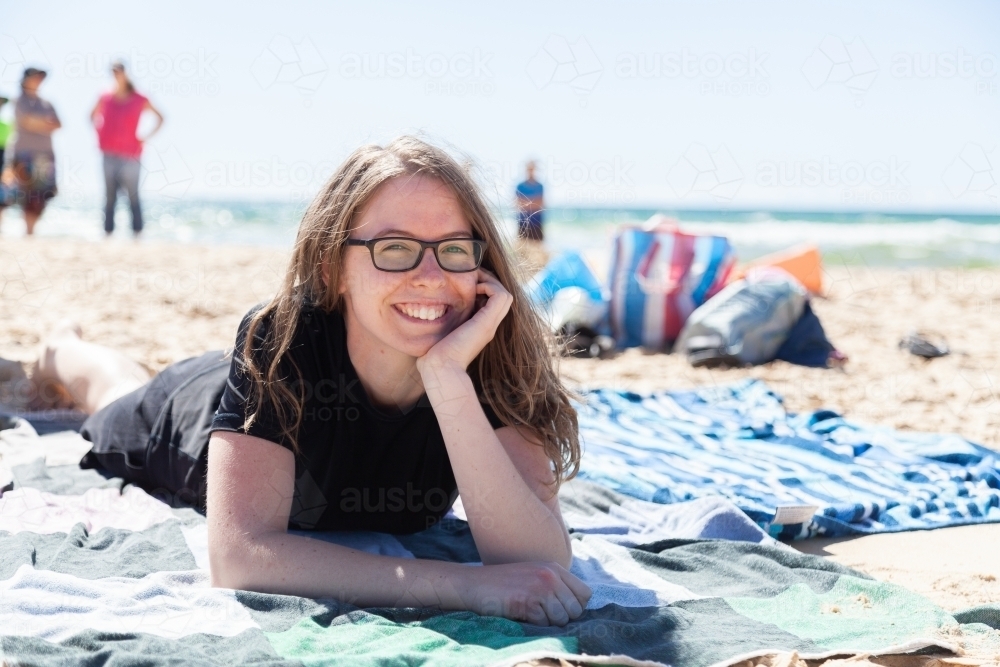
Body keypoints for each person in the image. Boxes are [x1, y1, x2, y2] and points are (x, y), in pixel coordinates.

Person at [35, 137, 591, 627]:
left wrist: (446, 377)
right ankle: (60, 348)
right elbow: (240, 556)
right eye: (393, 249)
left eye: (453, 249)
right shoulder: (279, 338)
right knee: (109, 394)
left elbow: (540, 558)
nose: (431, 277)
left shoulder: (493, 354)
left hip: (254, 383)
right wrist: (465, 588)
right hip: (191, 417)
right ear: (331, 268)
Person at [91, 60, 163, 237]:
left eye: (119, 71)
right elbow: (91, 116)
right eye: (113, 72)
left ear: (126, 73)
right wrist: (100, 134)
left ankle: (137, 233)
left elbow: (161, 117)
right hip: (108, 153)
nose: (117, 75)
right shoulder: (105, 96)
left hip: (131, 154)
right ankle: (107, 233)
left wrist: (145, 137)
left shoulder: (140, 98)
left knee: (133, 196)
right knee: (109, 196)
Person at [9, 67, 61, 236]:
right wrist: (45, 123)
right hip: (24, 153)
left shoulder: (46, 103)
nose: (39, 79)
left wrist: (37, 122)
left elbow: (58, 124)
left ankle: (31, 232)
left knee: (43, 194)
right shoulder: (19, 101)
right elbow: (26, 122)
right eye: (36, 76)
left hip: (45, 155)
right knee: (24, 192)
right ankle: (27, 231)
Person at [515, 160, 544, 241]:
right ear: (526, 170)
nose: (531, 171)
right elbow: (517, 203)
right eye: (529, 169)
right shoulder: (520, 186)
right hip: (523, 222)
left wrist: (525, 202)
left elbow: (540, 204)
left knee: (538, 248)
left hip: (537, 222)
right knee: (522, 249)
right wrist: (534, 201)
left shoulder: (540, 186)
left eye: (532, 169)